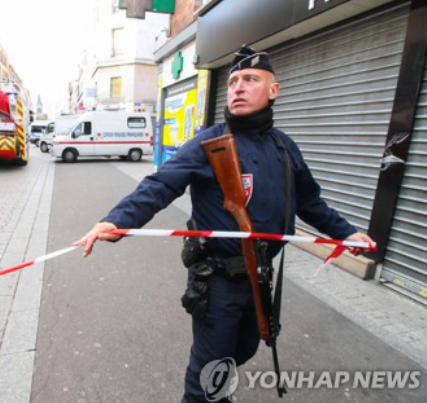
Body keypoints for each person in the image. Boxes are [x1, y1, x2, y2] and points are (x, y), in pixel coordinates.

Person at [74, 46, 373, 403]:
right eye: (233, 82)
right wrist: (115, 220)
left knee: (245, 347)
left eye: (250, 79)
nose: (238, 88)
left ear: (273, 90)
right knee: (207, 373)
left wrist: (345, 233)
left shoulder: (285, 148)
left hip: (260, 276)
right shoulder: (210, 143)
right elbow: (160, 185)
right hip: (217, 281)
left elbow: (309, 202)